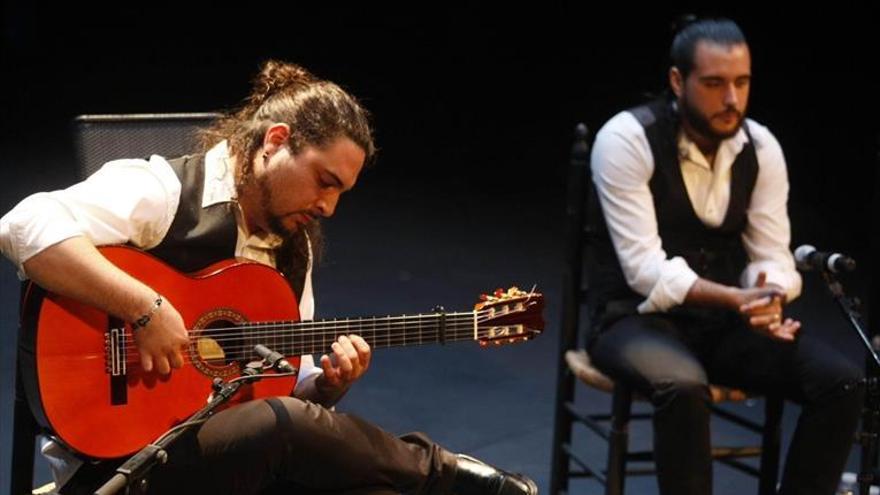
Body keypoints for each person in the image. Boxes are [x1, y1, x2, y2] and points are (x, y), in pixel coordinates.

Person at [0, 60, 538, 495]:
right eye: (323, 182)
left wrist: (326, 384)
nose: (328, 206)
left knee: (365, 481)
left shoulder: (291, 250)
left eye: (341, 193)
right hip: (122, 460)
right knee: (286, 425)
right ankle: (444, 473)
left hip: (223, 457)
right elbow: (23, 225)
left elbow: (283, 388)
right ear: (275, 141)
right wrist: (147, 307)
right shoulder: (166, 192)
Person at [586, 18, 863, 495]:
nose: (732, 99)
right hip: (635, 320)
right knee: (683, 386)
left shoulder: (761, 147)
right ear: (678, 81)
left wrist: (768, 295)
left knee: (842, 382)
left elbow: (772, 253)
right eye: (715, 84)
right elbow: (643, 269)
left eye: (742, 83)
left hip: (722, 328)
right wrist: (738, 299)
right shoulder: (627, 138)